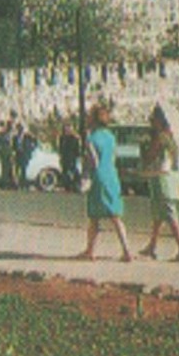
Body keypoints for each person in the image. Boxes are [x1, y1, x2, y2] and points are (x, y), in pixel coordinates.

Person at [76, 104, 132, 262]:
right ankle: (126, 250)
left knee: (94, 217)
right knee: (115, 216)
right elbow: (113, 157)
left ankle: (90, 251)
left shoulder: (91, 138)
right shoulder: (110, 136)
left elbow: (93, 161)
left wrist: (85, 175)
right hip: (111, 175)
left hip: (98, 176)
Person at [137, 106, 179, 263]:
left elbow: (149, 156)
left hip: (159, 176)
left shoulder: (161, 138)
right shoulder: (170, 138)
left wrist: (147, 147)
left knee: (168, 213)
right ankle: (152, 246)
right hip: (165, 176)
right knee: (158, 214)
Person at [58, 124, 82, 192]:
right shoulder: (62, 138)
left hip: (72, 157)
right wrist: (61, 156)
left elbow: (76, 149)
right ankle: (67, 185)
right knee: (65, 171)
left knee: (74, 171)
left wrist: (78, 156)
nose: (66, 131)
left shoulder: (74, 138)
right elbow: (61, 148)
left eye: (68, 129)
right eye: (65, 129)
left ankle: (76, 185)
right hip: (65, 157)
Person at [0, 118, 16, 189]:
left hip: (7, 154)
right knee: (5, 169)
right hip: (4, 154)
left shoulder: (7, 135)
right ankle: (4, 184)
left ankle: (11, 184)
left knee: (8, 169)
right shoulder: (1, 135)